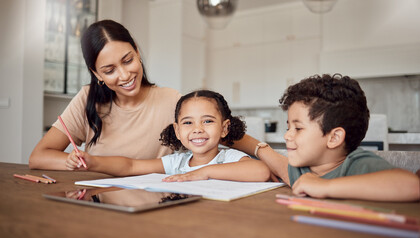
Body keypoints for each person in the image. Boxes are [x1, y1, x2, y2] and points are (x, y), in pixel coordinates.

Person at [29, 19, 284, 173]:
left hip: (157, 203)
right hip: (98, 200)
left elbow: (220, 131)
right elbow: (39, 156)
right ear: (96, 73)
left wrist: (266, 153)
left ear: (137, 52)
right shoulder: (87, 100)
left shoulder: (170, 100)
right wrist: (77, 162)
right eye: (109, 70)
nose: (125, 75)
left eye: (128, 60)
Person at [261, 74, 419, 201]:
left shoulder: (357, 164)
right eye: (288, 127)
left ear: (334, 138)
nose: (287, 135)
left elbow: (413, 186)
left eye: (298, 128)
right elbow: (270, 158)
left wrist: (325, 187)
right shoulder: (299, 167)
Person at [65, 90, 271, 182]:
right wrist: (92, 162)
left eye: (207, 121)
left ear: (224, 128)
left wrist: (204, 172)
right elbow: (131, 166)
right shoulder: (177, 162)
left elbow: (261, 171)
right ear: (178, 130)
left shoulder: (229, 158)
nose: (197, 129)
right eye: (188, 123)